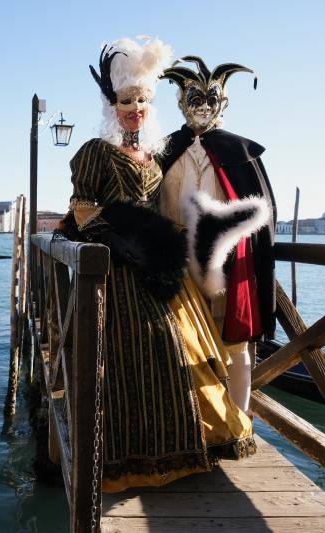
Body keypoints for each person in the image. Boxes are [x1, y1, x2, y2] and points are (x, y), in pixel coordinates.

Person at [61, 38, 263, 493]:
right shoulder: (96, 152)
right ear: (112, 104)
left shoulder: (153, 155)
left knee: (183, 349)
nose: (136, 109)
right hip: (116, 269)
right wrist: (117, 239)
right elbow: (80, 210)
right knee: (142, 354)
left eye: (144, 101)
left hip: (159, 265)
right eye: (128, 101)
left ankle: (188, 441)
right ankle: (129, 454)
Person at [159, 56, 277, 414]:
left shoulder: (240, 152)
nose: (203, 108)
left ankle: (238, 422)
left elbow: (262, 214)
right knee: (177, 342)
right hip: (173, 261)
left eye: (210, 100)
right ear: (181, 102)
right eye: (194, 100)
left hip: (226, 262)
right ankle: (190, 423)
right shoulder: (163, 150)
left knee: (235, 344)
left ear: (222, 102)